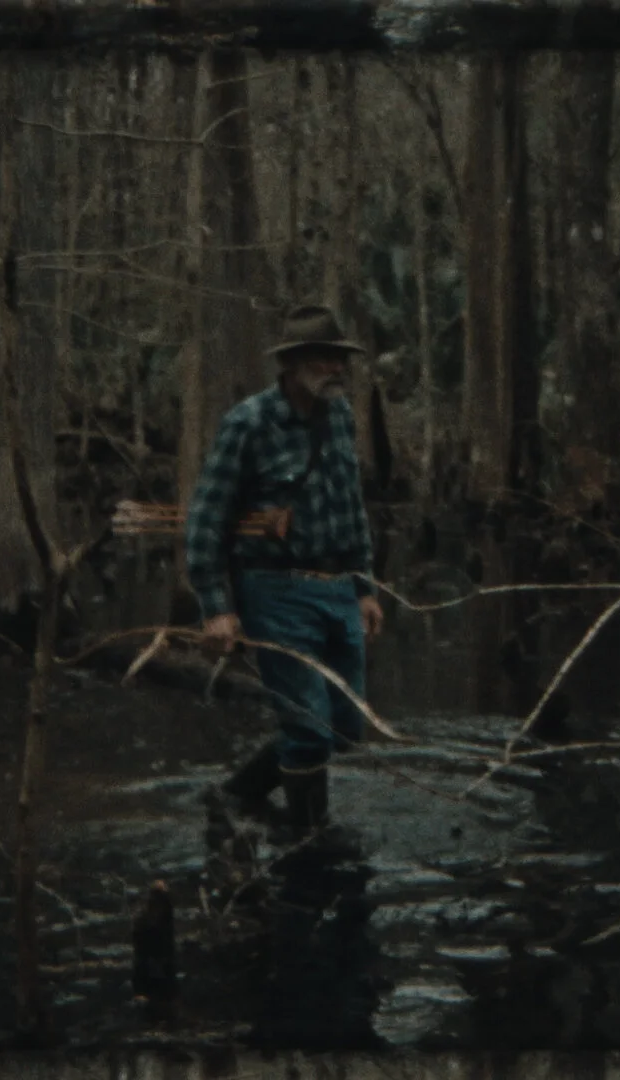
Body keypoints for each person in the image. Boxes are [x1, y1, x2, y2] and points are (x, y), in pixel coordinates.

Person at [184, 304, 386, 848]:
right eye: (323, 358)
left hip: (337, 588)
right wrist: (217, 608)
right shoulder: (248, 423)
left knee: (344, 725)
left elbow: (351, 506)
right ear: (292, 363)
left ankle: (237, 794)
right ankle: (309, 838)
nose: (336, 368)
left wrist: (364, 587)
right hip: (275, 590)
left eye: (340, 358)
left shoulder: (339, 416)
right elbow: (207, 518)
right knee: (308, 728)